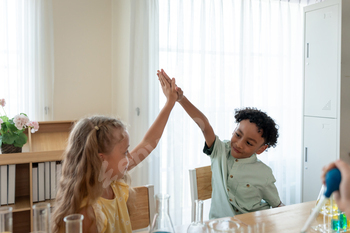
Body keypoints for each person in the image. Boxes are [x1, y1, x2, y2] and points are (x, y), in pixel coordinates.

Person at [51, 75, 179, 233]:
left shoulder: (111, 180)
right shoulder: (88, 213)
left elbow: (149, 142)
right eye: (125, 152)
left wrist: (170, 102)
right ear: (101, 160)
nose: (129, 158)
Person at [157, 69, 284, 219]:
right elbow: (205, 126)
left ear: (261, 149)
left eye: (249, 143)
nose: (239, 144)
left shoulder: (264, 174)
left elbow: (277, 206)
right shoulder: (220, 151)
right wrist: (181, 99)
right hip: (218, 227)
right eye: (237, 135)